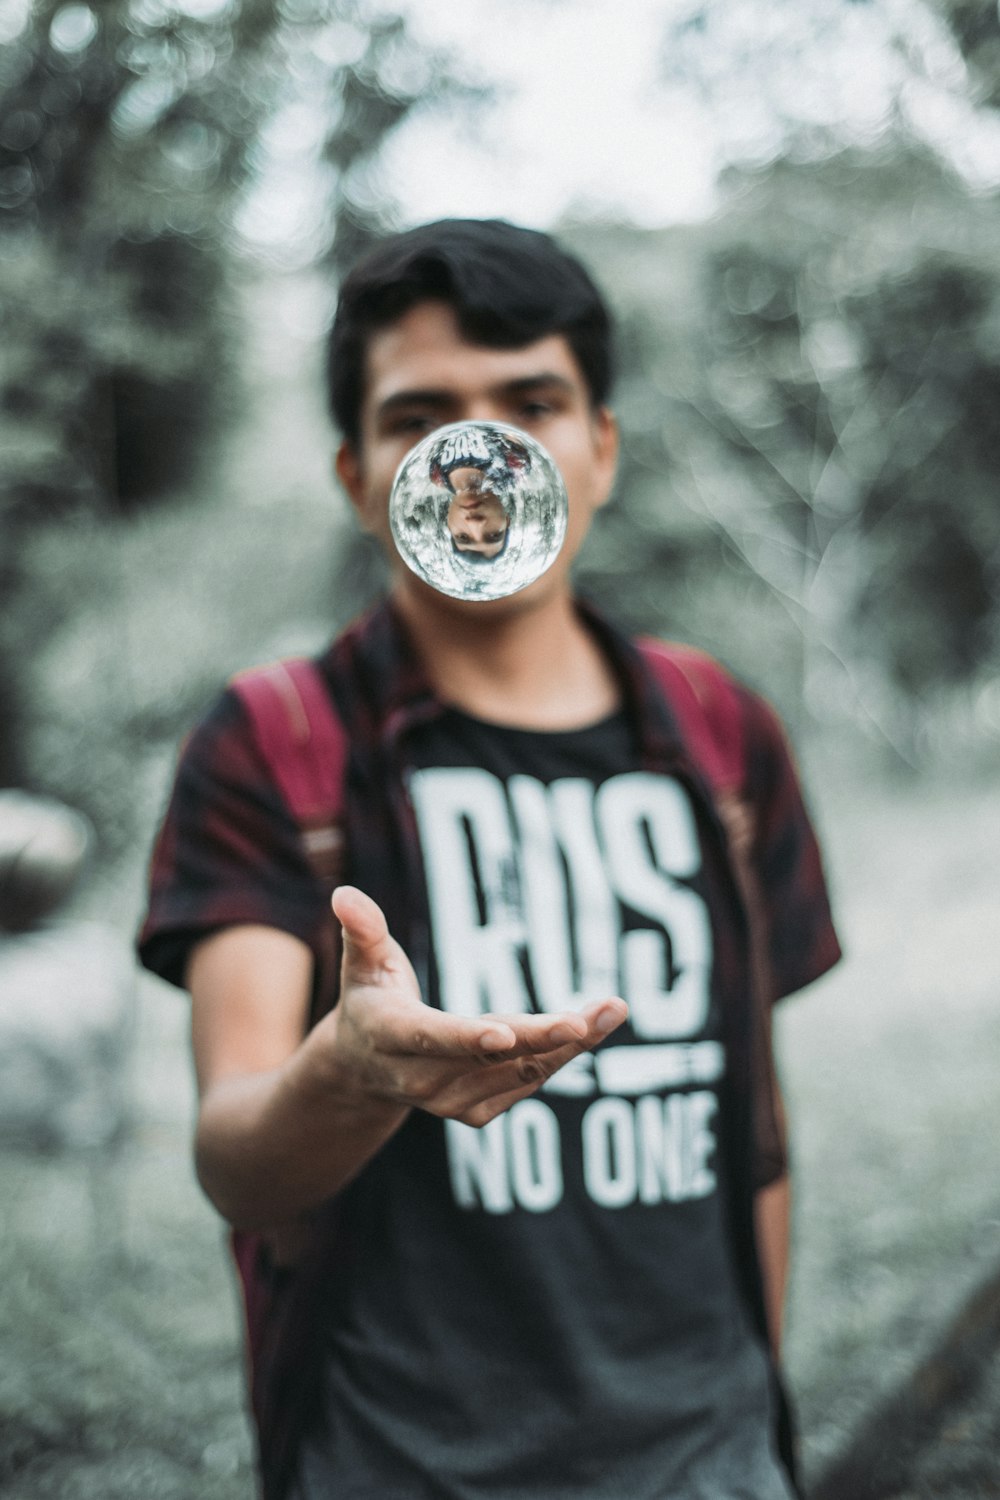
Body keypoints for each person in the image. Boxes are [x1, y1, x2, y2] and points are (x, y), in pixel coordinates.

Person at [138, 218, 841, 1500]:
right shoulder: (274, 741)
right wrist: (351, 1076)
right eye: (422, 418)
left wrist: (753, 1431)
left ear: (601, 448)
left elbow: (758, 1128)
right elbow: (233, 1158)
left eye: (532, 402)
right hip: (394, 1468)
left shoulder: (720, 731)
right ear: (360, 477)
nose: (482, 457)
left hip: (714, 1463)